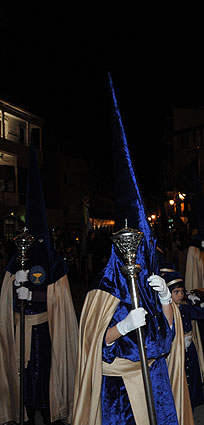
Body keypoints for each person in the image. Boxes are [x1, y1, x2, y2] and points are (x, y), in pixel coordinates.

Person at [72, 76, 192, 425]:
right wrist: (123, 326)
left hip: (154, 379)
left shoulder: (152, 278)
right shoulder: (105, 286)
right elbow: (96, 340)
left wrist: (167, 301)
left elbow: (168, 335)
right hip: (121, 388)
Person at [0, 142, 78, 425]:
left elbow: (62, 301)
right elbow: (4, 302)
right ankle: (25, 410)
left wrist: (36, 292)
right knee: (22, 371)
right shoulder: (14, 262)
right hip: (20, 326)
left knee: (44, 371)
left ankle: (48, 410)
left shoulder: (54, 262)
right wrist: (13, 290)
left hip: (46, 328)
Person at [161, 265, 204, 410]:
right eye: (175, 292)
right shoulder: (165, 312)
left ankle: (189, 403)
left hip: (189, 349)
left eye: (182, 291)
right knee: (178, 377)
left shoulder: (184, 308)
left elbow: (197, 312)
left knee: (190, 375)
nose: (180, 295)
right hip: (175, 351)